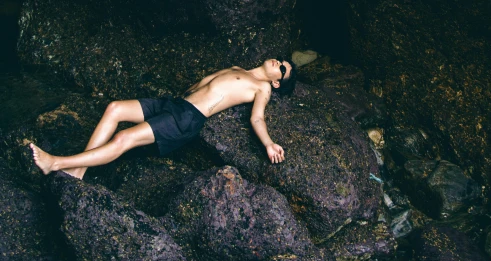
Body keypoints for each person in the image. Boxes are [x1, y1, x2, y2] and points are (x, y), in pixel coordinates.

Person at [30, 57, 297, 178]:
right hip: (174, 103)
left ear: (276, 84)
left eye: (283, 69)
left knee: (124, 137)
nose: (279, 62)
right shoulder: (238, 68)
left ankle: (55, 163)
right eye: (281, 59)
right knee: (114, 109)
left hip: (188, 118)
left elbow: (257, 119)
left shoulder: (261, 88)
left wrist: (269, 143)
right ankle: (78, 173)